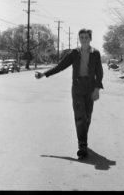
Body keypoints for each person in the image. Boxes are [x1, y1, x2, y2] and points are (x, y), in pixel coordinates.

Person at [35, 28, 103, 159]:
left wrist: (97, 89)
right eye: (81, 37)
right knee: (79, 117)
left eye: (86, 37)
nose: (84, 39)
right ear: (79, 38)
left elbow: (99, 72)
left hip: (90, 87)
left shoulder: (96, 53)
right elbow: (61, 66)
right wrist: (44, 74)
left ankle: (83, 138)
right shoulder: (74, 53)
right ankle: (82, 146)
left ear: (90, 39)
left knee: (87, 117)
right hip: (77, 88)